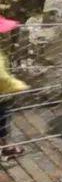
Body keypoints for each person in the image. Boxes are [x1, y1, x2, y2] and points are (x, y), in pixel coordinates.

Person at [0, 16, 26, 159]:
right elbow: (2, 77)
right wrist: (18, 85)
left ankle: (5, 146)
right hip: (2, 95)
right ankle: (5, 147)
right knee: (2, 120)